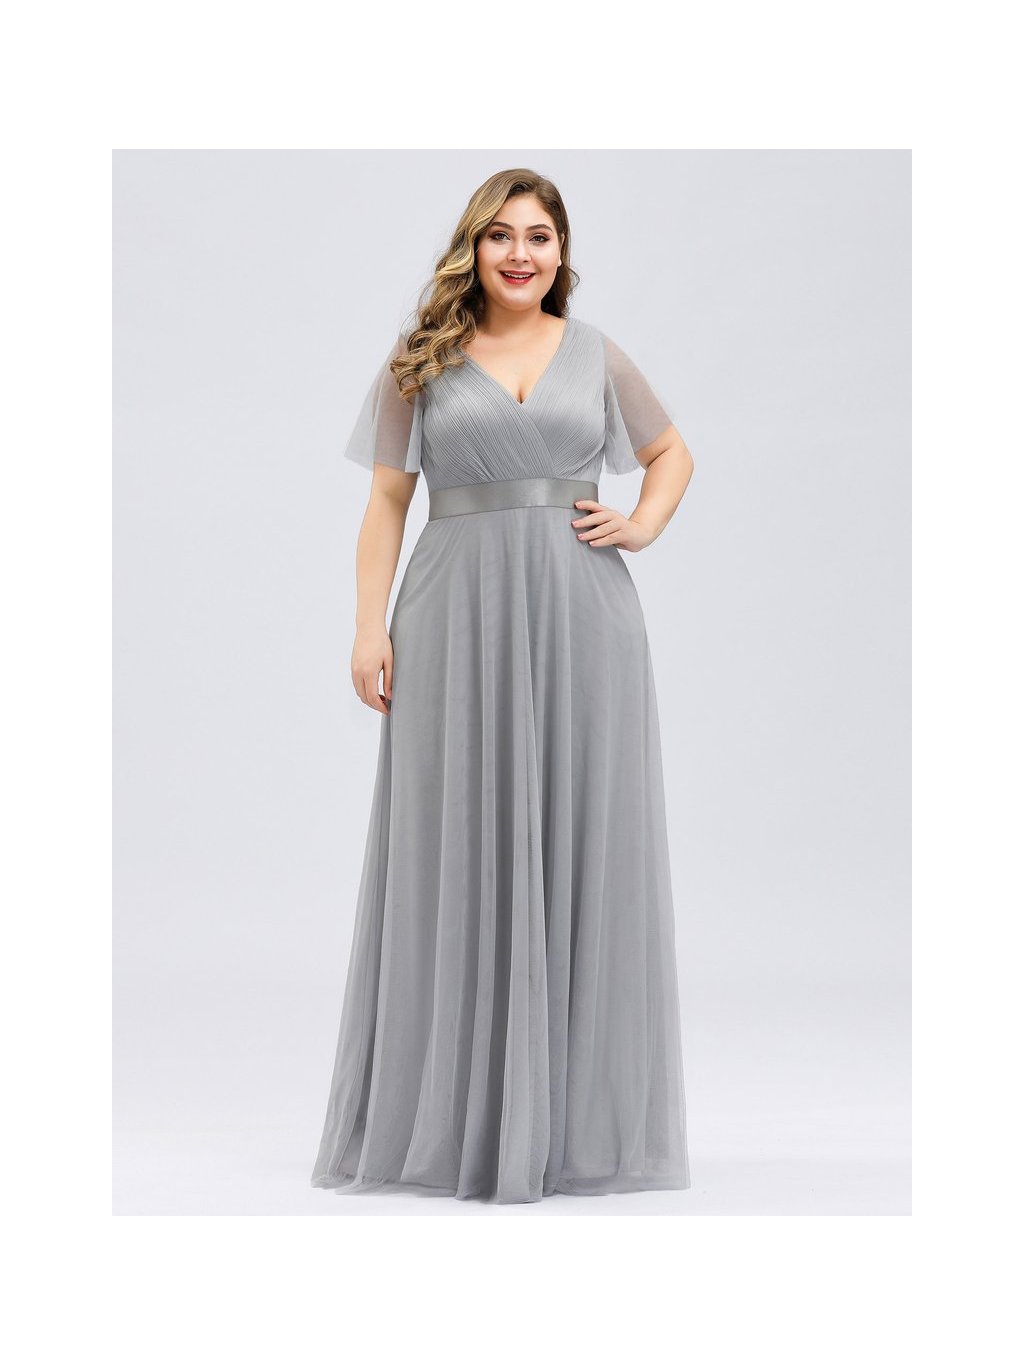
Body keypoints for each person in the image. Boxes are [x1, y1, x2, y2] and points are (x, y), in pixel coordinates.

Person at [310, 169, 695, 1204]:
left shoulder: (596, 353)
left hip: (584, 620)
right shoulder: (422, 359)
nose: (519, 253)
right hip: (453, 618)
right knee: (456, 841)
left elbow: (670, 454)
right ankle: (466, 1121)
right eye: (499, 236)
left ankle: (564, 1125)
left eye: (538, 236)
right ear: (472, 249)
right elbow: (387, 505)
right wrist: (368, 626)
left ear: (562, 253)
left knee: (580, 840)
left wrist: (641, 523)